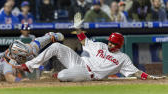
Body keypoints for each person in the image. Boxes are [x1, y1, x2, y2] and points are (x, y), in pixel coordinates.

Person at [16, 13, 166, 82]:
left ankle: (55, 75)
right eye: (110, 41)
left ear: (119, 45)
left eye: (114, 43)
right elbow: (84, 41)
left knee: (62, 76)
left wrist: (151, 77)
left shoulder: (123, 58)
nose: (110, 44)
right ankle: (29, 66)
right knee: (56, 46)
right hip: (80, 62)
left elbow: (137, 72)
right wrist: (78, 29)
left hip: (89, 74)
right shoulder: (100, 45)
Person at [0, 32, 64, 82]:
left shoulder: (27, 49)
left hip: (1, 55)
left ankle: (45, 71)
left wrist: (54, 36)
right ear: (17, 57)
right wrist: (22, 80)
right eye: (22, 56)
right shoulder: (8, 64)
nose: (25, 56)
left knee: (34, 58)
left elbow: (41, 40)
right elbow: (9, 77)